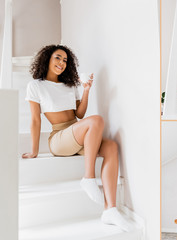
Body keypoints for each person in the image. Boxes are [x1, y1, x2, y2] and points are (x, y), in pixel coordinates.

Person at [22, 44, 132, 232]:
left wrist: (86, 90)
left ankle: (110, 209)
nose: (61, 63)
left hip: (76, 131)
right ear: (47, 59)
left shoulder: (69, 85)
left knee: (111, 146)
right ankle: (88, 177)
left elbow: (80, 114)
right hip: (59, 138)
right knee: (96, 120)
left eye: (65, 60)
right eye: (57, 58)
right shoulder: (35, 86)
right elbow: (35, 120)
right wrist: (34, 150)